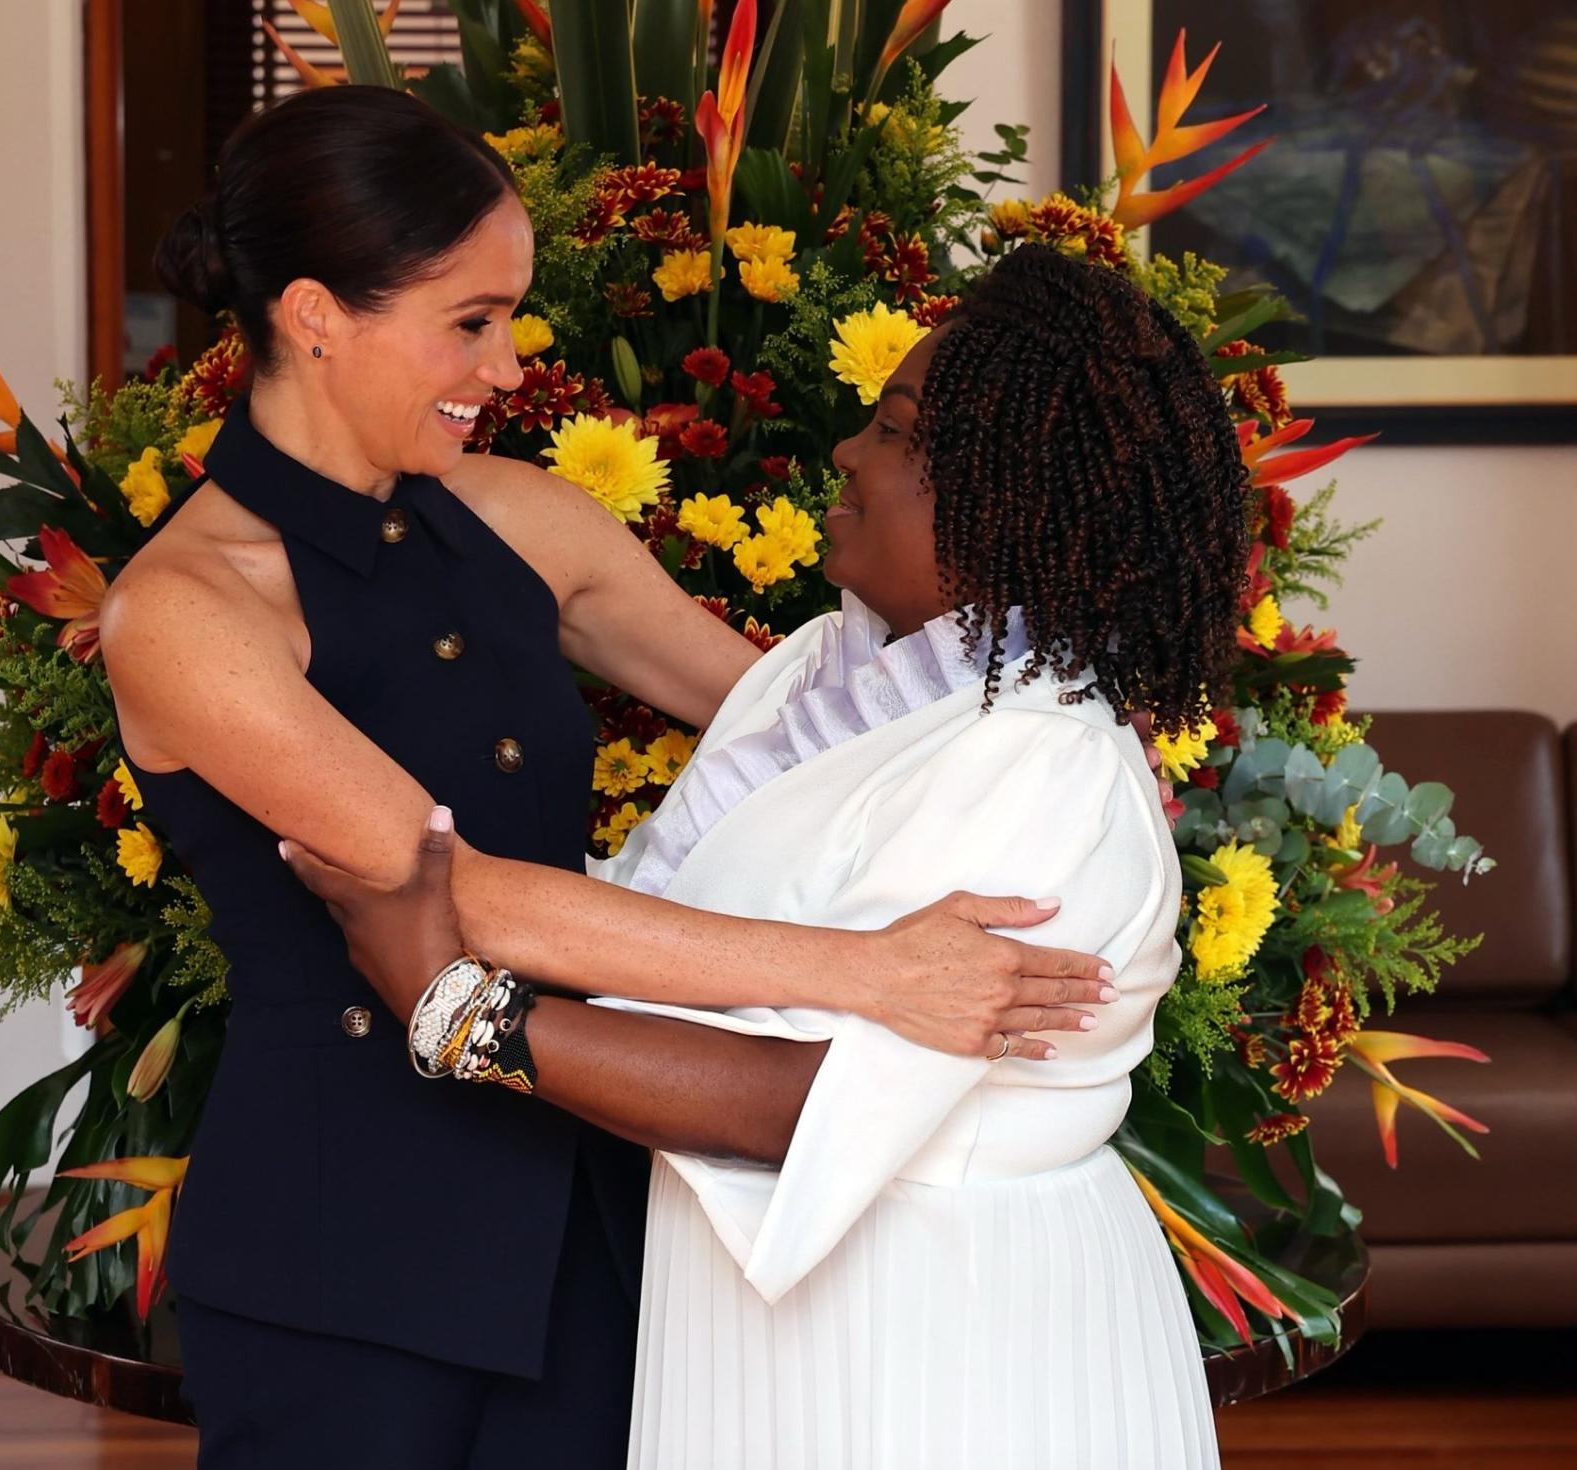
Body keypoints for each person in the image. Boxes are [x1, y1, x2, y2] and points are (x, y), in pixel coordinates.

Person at [103, 87, 1125, 1469]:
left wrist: (1062, 763)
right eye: (470, 320)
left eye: (510, 315)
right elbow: (456, 896)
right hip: (347, 1244)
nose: (511, 366)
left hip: (597, 1206)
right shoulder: (183, 611)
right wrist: (867, 969)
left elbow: (820, 724)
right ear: (313, 314)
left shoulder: (525, 516)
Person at [286, 241, 1250, 1469]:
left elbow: (805, 1103)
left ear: (1008, 496)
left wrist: (456, 1009)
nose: (848, 453)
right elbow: (659, 936)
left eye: (894, 430)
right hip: (775, 1295)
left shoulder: (1042, 767)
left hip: (943, 1327)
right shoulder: (819, 673)